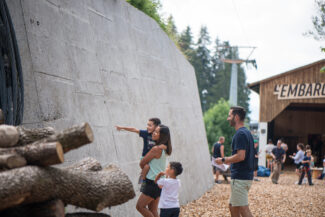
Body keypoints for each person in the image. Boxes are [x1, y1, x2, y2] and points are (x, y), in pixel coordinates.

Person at [216, 106, 254, 217]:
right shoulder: (246, 132)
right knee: (233, 206)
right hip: (244, 176)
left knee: (244, 208)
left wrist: (223, 160)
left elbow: (241, 156)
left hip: (240, 178)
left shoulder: (240, 134)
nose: (228, 118)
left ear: (236, 117)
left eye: (230, 115)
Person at [136, 125, 172, 217]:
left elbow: (142, 163)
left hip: (152, 182)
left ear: (162, 136)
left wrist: (146, 166)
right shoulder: (164, 149)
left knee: (140, 206)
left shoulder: (156, 149)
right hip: (159, 183)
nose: (153, 133)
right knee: (152, 209)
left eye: (156, 132)